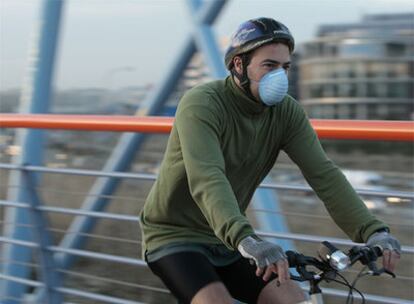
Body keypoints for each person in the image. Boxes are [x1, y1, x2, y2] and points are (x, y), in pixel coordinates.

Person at [140, 17, 401, 304]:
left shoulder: (286, 113)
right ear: (239, 66)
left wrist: (373, 230)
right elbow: (208, 176)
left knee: (293, 299)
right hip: (176, 236)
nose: (280, 76)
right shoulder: (203, 103)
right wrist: (246, 238)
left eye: (285, 67)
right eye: (269, 66)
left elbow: (324, 175)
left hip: (227, 242)